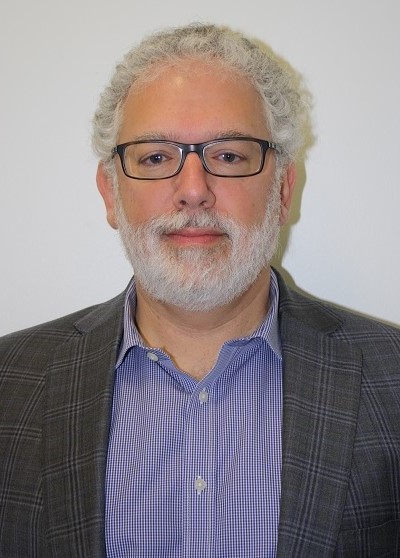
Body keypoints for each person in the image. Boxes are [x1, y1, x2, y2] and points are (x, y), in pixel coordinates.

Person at [0, 22, 399, 558]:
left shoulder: (392, 379)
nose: (193, 190)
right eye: (155, 157)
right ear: (111, 193)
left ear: (282, 191)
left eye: (229, 155)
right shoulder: (9, 383)